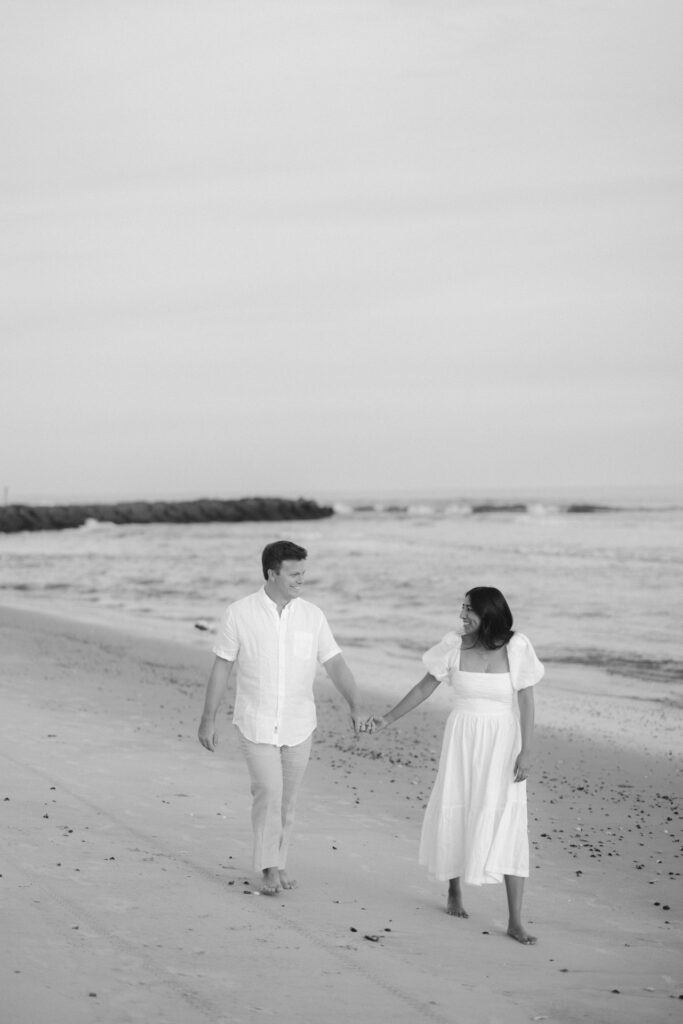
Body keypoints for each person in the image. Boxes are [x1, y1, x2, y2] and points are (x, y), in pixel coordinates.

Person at [366, 586, 543, 944]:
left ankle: (515, 920)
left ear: (489, 612)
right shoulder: (453, 645)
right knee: (457, 807)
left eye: (469, 610)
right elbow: (424, 687)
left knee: (508, 818)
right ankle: (454, 890)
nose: (462, 615)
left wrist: (526, 751)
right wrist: (387, 719)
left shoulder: (517, 646)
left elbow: (526, 699)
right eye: (461, 608)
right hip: (463, 737)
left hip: (503, 741)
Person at [198, 540, 364, 896]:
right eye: (294, 573)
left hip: (299, 723)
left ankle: (279, 859)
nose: (301, 580)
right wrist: (207, 719)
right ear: (272, 573)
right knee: (269, 792)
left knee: (287, 800)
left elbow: (334, 663)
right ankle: (268, 866)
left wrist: (355, 705)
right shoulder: (239, 613)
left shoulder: (312, 616)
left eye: (304, 573)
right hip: (256, 722)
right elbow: (222, 666)